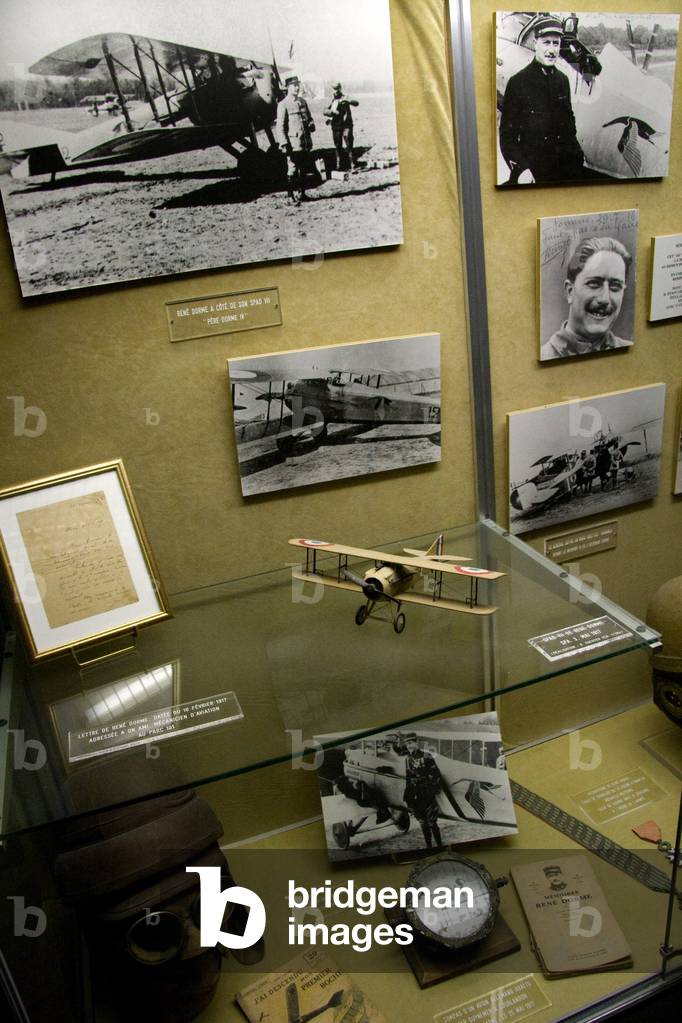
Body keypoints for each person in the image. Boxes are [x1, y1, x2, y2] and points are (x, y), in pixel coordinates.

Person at [499, 16, 585, 184]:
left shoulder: (563, 80)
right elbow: (507, 137)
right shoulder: (518, 82)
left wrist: (577, 155)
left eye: (556, 43)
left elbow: (569, 124)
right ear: (535, 43)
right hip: (532, 172)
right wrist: (521, 169)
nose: (552, 50)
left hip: (564, 169)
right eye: (546, 43)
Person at [541, 237, 633, 360]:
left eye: (615, 287)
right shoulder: (546, 356)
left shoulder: (632, 353)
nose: (604, 299)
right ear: (570, 291)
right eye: (594, 284)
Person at [276, 73, 316, 204]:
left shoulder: (302, 102)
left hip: (304, 142)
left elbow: (309, 118)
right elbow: (280, 126)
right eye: (294, 86)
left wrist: (311, 124)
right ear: (288, 87)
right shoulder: (283, 104)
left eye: (298, 85)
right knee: (292, 169)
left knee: (303, 168)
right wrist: (284, 143)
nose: (297, 88)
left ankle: (302, 194)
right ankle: (290, 196)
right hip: (293, 143)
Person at [402, 733, 442, 849]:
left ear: (416, 743)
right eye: (407, 744)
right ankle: (429, 847)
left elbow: (436, 775)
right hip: (414, 795)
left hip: (427, 793)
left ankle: (440, 846)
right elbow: (408, 778)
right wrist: (408, 796)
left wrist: (430, 791)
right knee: (423, 823)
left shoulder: (427, 756)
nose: (409, 746)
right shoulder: (407, 759)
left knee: (432, 823)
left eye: (411, 743)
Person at [324, 82, 359, 171]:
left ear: (340, 88)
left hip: (346, 125)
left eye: (337, 88)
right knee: (338, 145)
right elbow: (324, 110)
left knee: (349, 144)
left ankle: (352, 164)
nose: (336, 91)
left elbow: (356, 103)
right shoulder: (331, 100)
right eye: (334, 89)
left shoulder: (345, 97)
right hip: (336, 126)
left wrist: (349, 101)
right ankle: (339, 165)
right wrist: (332, 112)